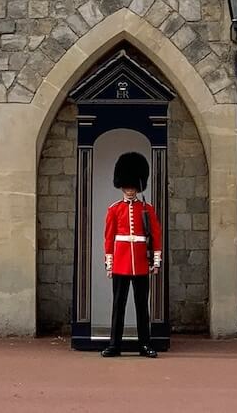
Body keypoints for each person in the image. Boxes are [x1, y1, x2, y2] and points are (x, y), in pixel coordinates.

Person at [102, 151, 163, 358]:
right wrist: (109, 264)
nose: (129, 191)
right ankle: (114, 345)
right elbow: (109, 238)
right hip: (120, 262)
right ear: (122, 186)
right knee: (118, 305)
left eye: (132, 187)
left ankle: (145, 345)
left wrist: (155, 261)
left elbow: (156, 235)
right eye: (127, 187)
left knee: (141, 306)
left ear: (138, 187)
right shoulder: (114, 209)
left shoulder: (147, 209)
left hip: (140, 261)